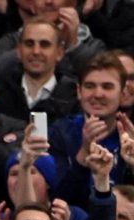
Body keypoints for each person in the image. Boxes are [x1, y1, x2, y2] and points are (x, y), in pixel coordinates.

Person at [49, 51, 134, 208]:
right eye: (89, 86)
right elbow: (59, 201)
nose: (98, 94)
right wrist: (84, 152)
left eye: (107, 87)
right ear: (79, 91)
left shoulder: (130, 137)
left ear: (122, 94)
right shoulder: (60, 133)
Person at [0, 20, 80, 126]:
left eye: (45, 45)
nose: (36, 51)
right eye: (29, 44)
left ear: (59, 53)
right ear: (19, 51)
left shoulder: (74, 97)